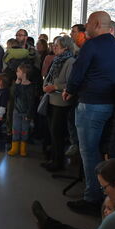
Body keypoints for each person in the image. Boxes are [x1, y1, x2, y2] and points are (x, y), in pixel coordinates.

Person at [63, 11, 115, 215]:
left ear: (96, 24)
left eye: (87, 22)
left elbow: (78, 72)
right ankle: (106, 195)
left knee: (88, 152)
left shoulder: (92, 45)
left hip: (91, 104)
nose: (85, 26)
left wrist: (69, 90)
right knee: (102, 150)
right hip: (112, 104)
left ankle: (91, 198)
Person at [32, 158, 115, 229]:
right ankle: (48, 224)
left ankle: (48, 224)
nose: (104, 193)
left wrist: (109, 221)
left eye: (104, 188)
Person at [41, 36, 75, 172]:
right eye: (53, 45)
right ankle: (53, 159)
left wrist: (54, 87)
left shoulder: (70, 61)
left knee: (58, 134)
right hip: (51, 99)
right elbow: (49, 77)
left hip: (61, 103)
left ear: (66, 47)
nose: (53, 48)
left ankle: (58, 163)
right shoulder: (56, 60)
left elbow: (70, 83)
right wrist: (46, 85)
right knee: (52, 133)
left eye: (57, 45)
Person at [7, 64, 36, 157]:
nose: (16, 73)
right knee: (15, 129)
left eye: (18, 71)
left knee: (24, 130)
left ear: (24, 74)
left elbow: (32, 101)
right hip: (16, 111)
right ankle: (14, 147)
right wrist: (16, 82)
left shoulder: (31, 86)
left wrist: (29, 114)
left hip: (26, 113)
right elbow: (13, 94)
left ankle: (23, 148)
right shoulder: (18, 85)